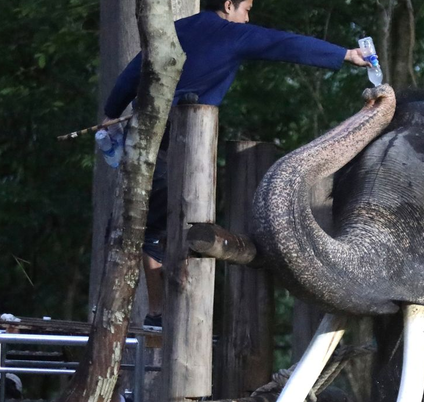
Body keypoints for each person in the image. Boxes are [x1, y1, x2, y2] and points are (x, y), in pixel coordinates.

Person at [102, 0, 369, 329]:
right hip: (180, 142)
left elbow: (133, 72)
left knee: (145, 225)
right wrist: (346, 54)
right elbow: (285, 44)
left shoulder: (174, 30)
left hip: (145, 135)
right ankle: (158, 314)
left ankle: (155, 312)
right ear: (229, 5)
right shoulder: (231, 34)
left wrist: (111, 111)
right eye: (246, 8)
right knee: (158, 231)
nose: (248, 17)